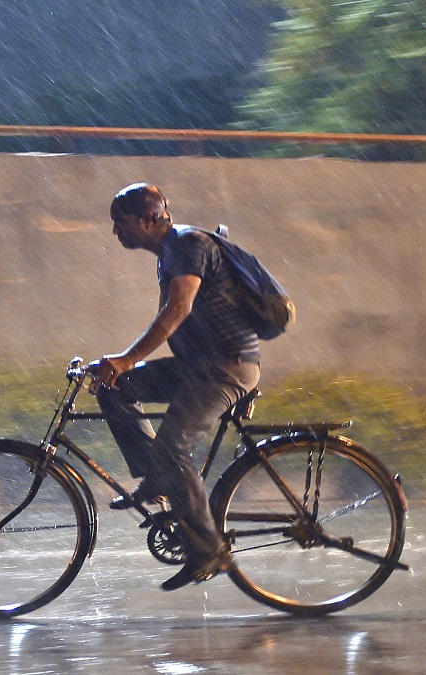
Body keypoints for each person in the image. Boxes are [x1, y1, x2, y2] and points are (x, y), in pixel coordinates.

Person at [92, 183, 261, 592]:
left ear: (148, 218)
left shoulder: (186, 244)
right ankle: (157, 477)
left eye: (121, 222)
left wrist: (126, 358)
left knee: (173, 447)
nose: (116, 231)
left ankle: (209, 552)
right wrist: (119, 365)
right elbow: (171, 319)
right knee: (115, 387)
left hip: (226, 367)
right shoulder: (169, 253)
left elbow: (178, 309)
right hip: (195, 366)